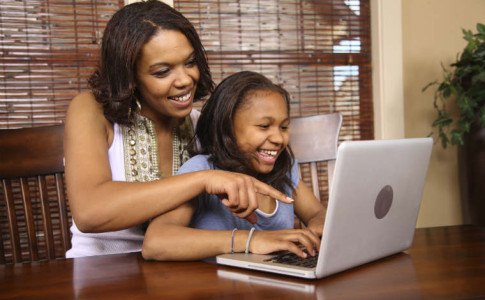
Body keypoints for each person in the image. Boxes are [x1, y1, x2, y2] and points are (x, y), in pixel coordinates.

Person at [64, 1, 291, 258]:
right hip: (100, 272)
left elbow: (271, 167)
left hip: (179, 266)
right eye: (163, 71)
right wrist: (203, 180)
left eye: (190, 62)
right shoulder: (90, 111)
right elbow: (90, 212)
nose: (185, 80)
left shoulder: (198, 123)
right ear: (130, 76)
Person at [142, 71, 326, 261]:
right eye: (264, 126)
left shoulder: (284, 167)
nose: (279, 139)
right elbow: (155, 243)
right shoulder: (201, 170)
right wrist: (251, 240)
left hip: (275, 283)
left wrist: (318, 225)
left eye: (284, 127)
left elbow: (316, 212)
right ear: (227, 129)